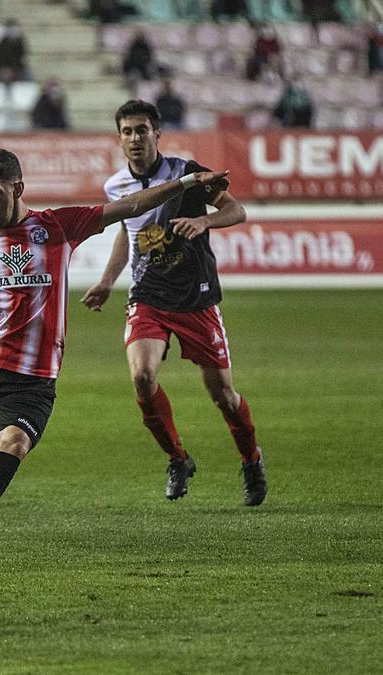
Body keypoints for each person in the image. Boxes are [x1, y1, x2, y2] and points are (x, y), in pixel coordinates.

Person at [0, 149, 230, 552]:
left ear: (17, 188)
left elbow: (130, 205)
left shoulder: (58, 227)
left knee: (13, 444)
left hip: (33, 378)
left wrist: (189, 183)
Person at [81, 100, 266, 506]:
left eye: (142, 130)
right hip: (147, 296)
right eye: (127, 131)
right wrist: (107, 281)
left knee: (223, 396)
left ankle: (250, 458)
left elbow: (236, 210)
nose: (134, 138)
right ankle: (178, 459)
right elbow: (127, 233)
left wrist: (203, 221)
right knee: (143, 378)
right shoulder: (116, 186)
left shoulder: (187, 173)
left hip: (196, 297)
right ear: (118, 138)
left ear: (157, 134)